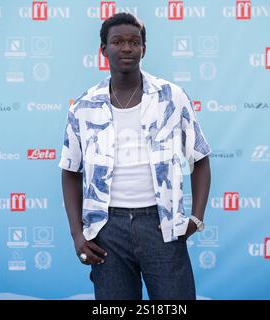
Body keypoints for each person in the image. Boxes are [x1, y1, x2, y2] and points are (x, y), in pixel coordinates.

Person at [59, 12, 212, 300]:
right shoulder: (83, 106)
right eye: (117, 42)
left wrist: (196, 219)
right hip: (107, 229)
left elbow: (200, 158)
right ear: (103, 49)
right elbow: (70, 171)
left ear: (144, 48)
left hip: (161, 224)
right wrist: (78, 235)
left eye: (134, 41)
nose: (126, 48)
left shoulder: (171, 96)